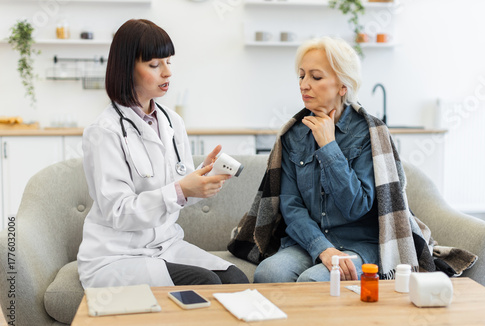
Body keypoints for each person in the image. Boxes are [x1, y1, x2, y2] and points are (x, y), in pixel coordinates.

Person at [77, 19, 248, 288]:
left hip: (166, 245)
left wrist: (199, 180)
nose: (167, 72)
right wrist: (181, 189)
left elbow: (175, 193)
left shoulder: (171, 121)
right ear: (126, 69)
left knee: (235, 278)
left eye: (169, 61)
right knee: (205, 283)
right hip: (116, 255)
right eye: (155, 64)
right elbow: (119, 213)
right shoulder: (104, 131)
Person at [253, 37, 379, 283]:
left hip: (358, 244)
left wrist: (329, 146)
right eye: (301, 76)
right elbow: (290, 205)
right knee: (268, 274)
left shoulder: (369, 133)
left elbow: (357, 206)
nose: (304, 85)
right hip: (309, 241)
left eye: (316, 77)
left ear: (343, 85)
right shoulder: (293, 135)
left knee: (314, 281)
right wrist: (322, 248)